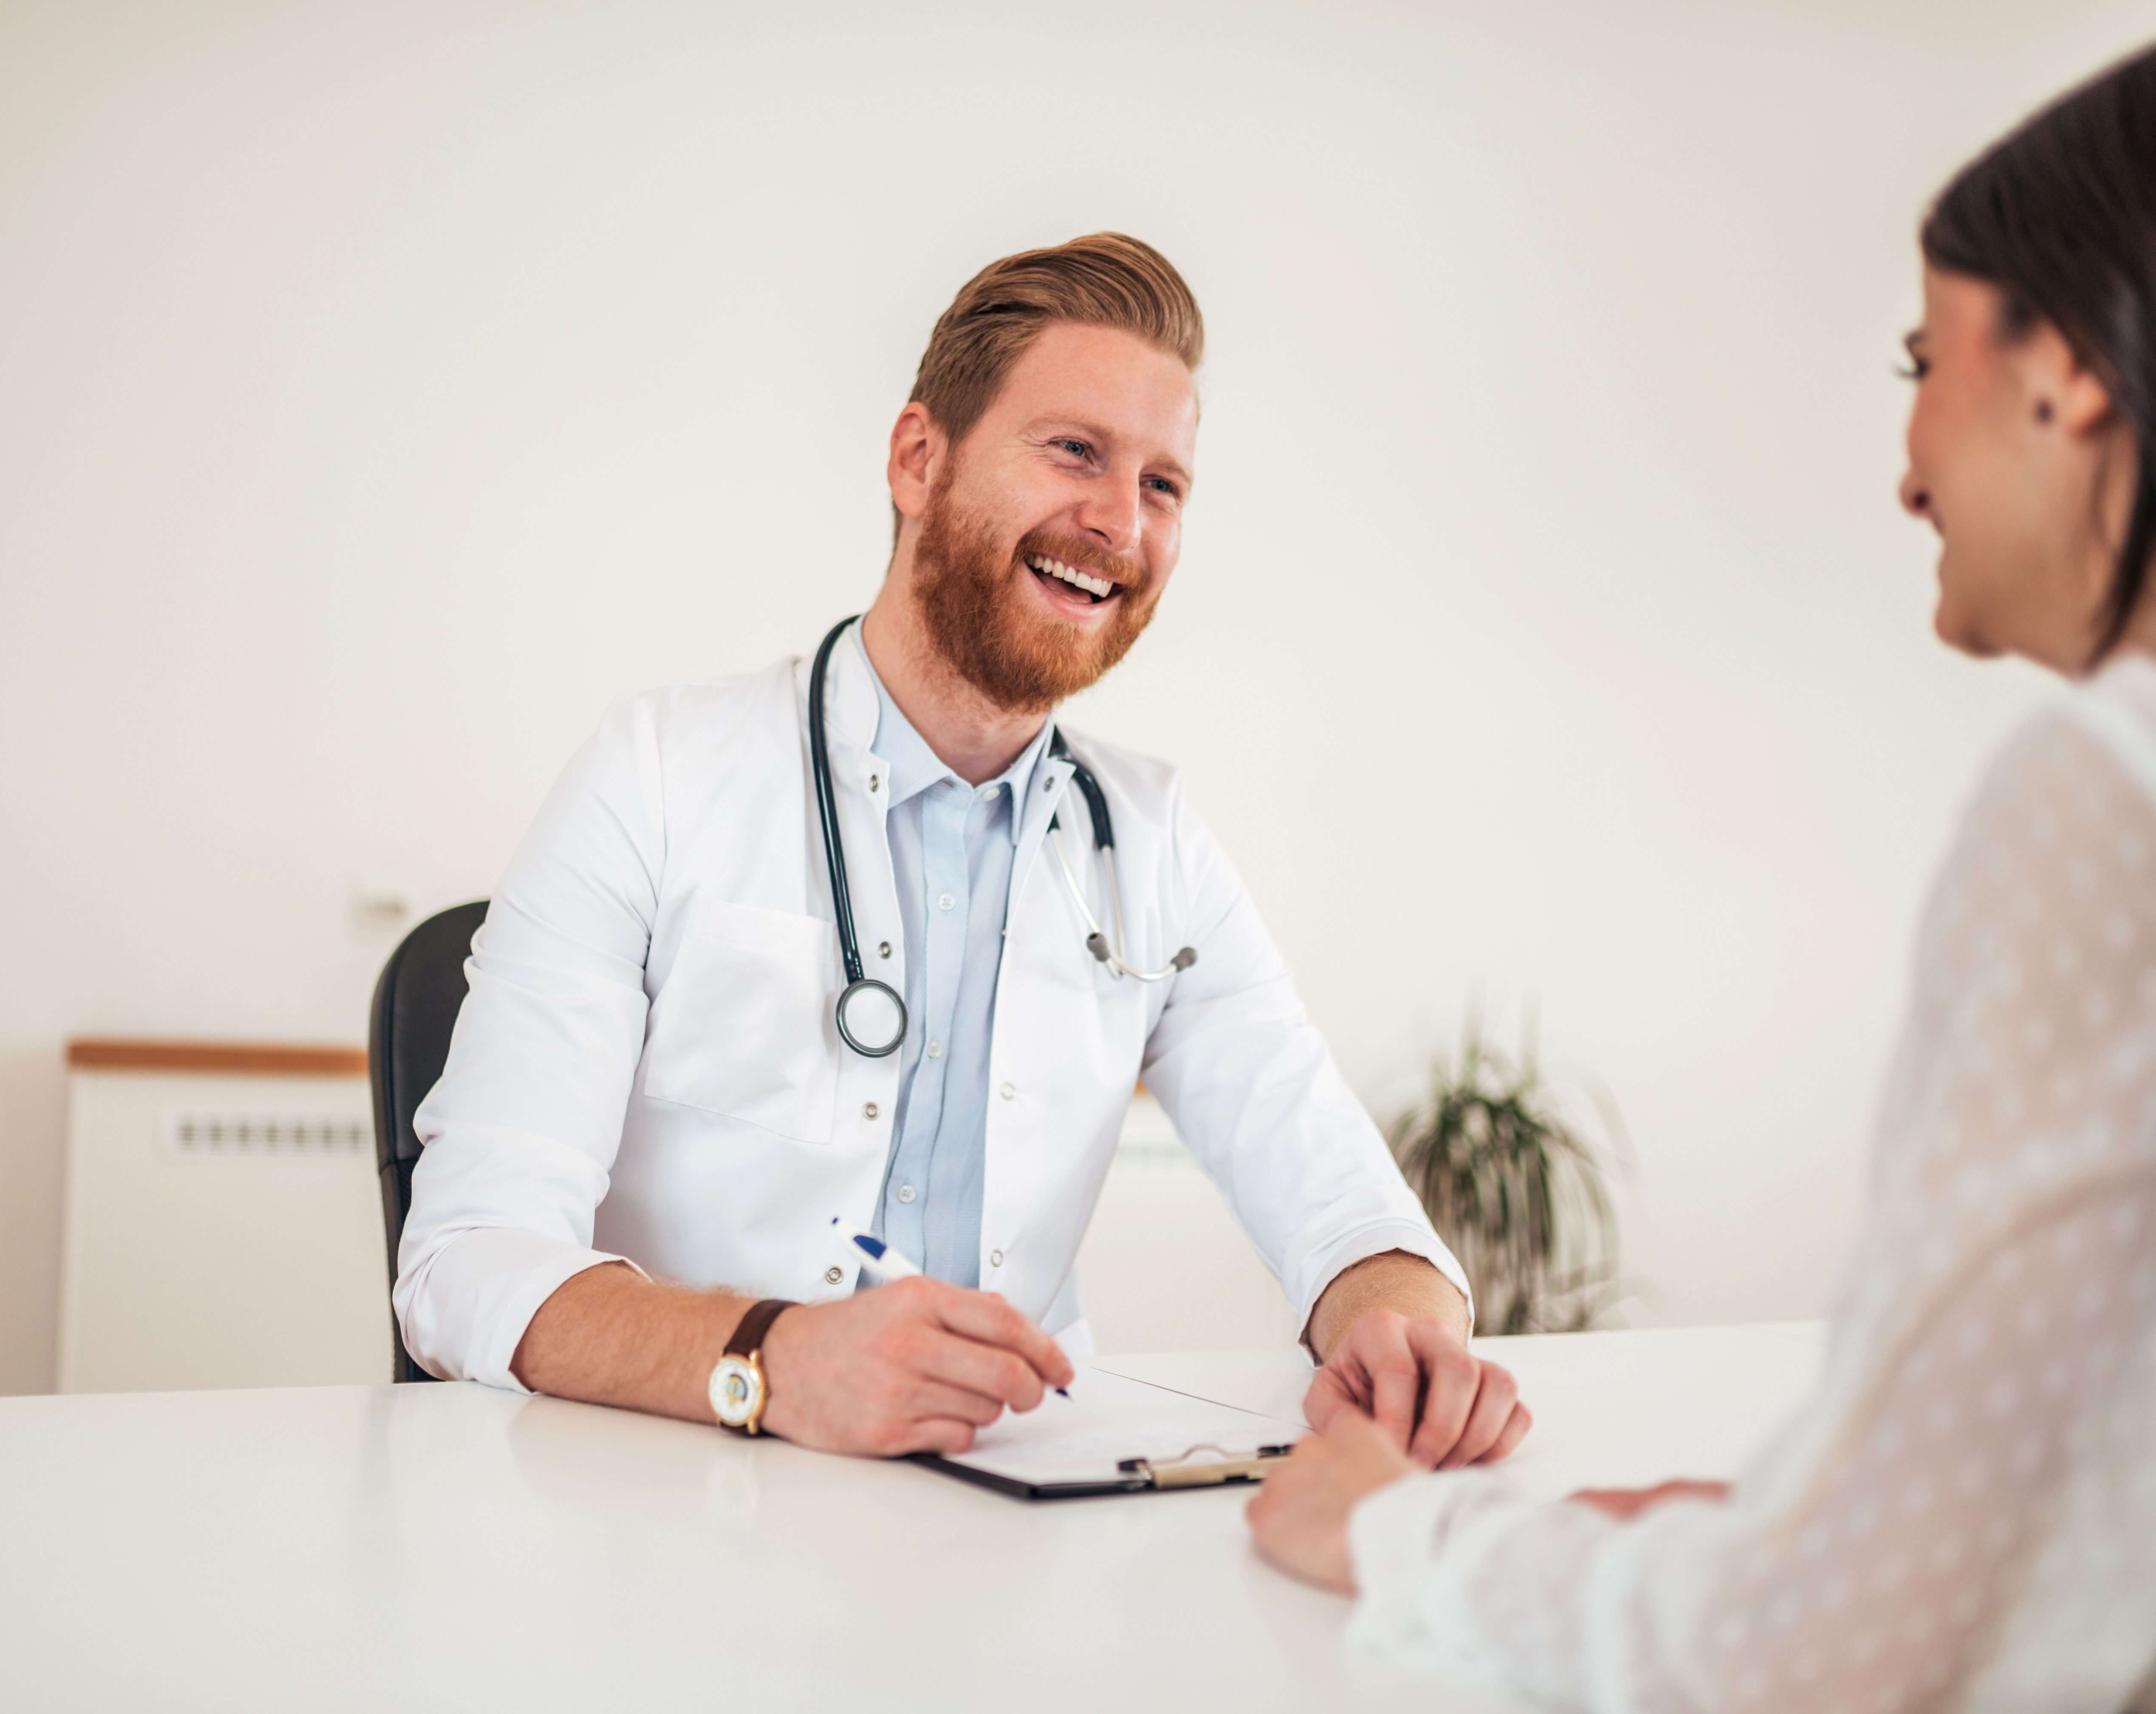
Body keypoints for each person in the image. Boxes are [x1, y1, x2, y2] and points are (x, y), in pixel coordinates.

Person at [1244, 46, 2156, 1713]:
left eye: (1924, 359)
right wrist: (1802, 1521)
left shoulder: (2098, 797)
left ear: (2072, 374)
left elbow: (1823, 1652)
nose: (1907, 467)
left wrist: (1403, 1535)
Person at [394, 233, 1532, 1465]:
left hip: (1013, 1508)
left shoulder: (1153, 847)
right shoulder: (657, 775)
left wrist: (1403, 1332)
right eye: (1075, 451)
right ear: (918, 460)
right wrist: (776, 1362)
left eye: (1163, 485)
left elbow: (1346, 1205)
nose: (1120, 522)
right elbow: (466, 1260)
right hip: (673, 1496)